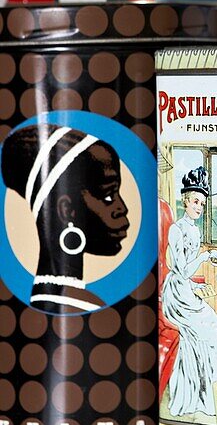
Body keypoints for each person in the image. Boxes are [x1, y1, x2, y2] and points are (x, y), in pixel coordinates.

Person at [1, 123, 130, 314]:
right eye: (108, 195)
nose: (123, 208)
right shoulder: (83, 307)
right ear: (67, 210)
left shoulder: (41, 300)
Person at [161, 167, 217, 418]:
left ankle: (206, 397)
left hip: (187, 291)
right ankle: (205, 398)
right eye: (195, 201)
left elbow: (187, 275)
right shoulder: (176, 230)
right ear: (185, 201)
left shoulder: (196, 229)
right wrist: (205, 256)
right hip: (176, 297)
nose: (199, 207)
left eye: (202, 202)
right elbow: (181, 270)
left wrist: (198, 288)